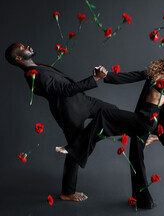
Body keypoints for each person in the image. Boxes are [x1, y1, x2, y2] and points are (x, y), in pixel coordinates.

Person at [56, 46, 164, 209]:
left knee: (105, 114)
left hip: (147, 120)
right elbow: (130, 76)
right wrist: (106, 76)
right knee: (136, 159)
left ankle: (76, 149)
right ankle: (144, 201)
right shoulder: (157, 71)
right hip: (141, 116)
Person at [5, 43, 118, 202]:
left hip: (82, 101)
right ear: (18, 58)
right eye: (23, 47)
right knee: (74, 156)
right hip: (70, 112)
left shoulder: (39, 67)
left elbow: (65, 86)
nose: (28, 46)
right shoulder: (35, 77)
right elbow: (66, 91)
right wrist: (95, 79)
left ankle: (78, 145)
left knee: (113, 112)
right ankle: (67, 192)